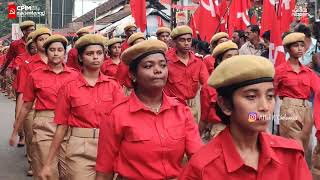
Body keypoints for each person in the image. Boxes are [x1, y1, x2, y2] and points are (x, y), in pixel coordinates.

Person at [179, 55, 312, 180]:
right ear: (225, 104)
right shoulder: (201, 167)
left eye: (270, 96)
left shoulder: (290, 156)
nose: (264, 107)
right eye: (251, 97)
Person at [95, 39, 202, 180]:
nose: (158, 70)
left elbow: (198, 160)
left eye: (163, 65)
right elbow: (104, 171)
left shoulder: (181, 111)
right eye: (148, 66)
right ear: (133, 75)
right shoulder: (116, 115)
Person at [39, 34, 123, 180]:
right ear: (80, 58)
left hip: (108, 146)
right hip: (79, 147)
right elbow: (61, 126)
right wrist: (48, 163)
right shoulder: (68, 88)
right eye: (89, 54)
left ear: (104, 57)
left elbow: (122, 122)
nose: (95, 57)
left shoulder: (113, 86)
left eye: (99, 53)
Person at [9, 34, 78, 179]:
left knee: (69, 171)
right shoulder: (35, 75)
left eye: (60, 50)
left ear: (64, 52)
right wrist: (16, 131)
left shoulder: (75, 76)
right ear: (46, 53)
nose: (56, 53)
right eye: (52, 49)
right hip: (44, 124)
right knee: (47, 169)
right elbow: (27, 106)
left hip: (70, 125)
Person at [164, 25, 209, 123]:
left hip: (193, 107)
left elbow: (207, 85)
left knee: (193, 135)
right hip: (173, 107)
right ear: (175, 42)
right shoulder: (166, 61)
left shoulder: (198, 62)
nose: (186, 43)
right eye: (182, 40)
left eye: (189, 40)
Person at [200, 41, 239, 140]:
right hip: (219, 130)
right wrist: (197, 138)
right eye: (229, 56)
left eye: (236, 56)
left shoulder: (246, 82)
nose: (233, 60)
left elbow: (253, 113)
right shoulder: (209, 86)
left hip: (244, 128)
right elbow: (204, 118)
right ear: (219, 61)